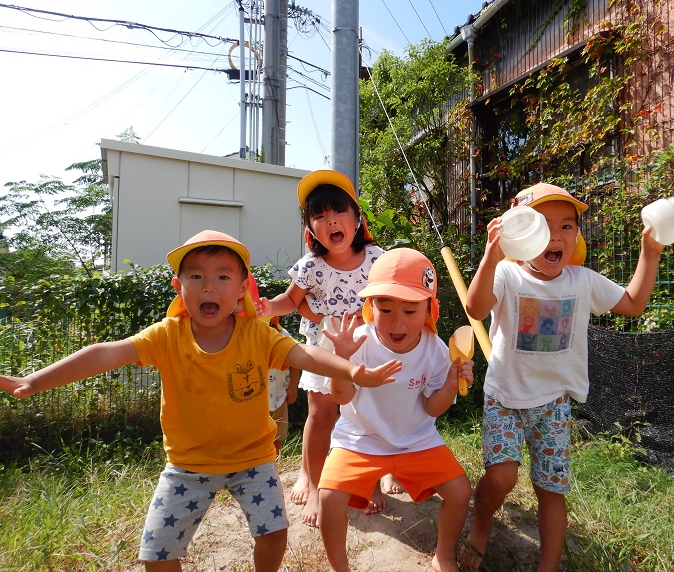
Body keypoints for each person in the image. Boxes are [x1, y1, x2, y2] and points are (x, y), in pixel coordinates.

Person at [0, 230, 401, 572]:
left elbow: (303, 355)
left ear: (243, 287)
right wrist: (34, 380)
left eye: (223, 276)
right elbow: (106, 352)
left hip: (253, 460)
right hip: (187, 465)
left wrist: (349, 369)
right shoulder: (166, 335)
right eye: (196, 276)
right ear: (179, 286)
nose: (209, 286)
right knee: (156, 556)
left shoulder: (257, 334)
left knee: (275, 536)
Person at [463, 183, 665, 572]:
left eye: (567, 226)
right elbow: (475, 305)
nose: (556, 236)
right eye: (542, 224)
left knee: (551, 488)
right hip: (505, 399)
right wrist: (491, 256)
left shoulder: (582, 280)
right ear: (519, 231)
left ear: (577, 234)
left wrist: (649, 253)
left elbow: (634, 304)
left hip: (554, 403)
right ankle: (481, 525)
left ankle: (549, 564)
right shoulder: (507, 273)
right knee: (502, 478)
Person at [317, 247, 474, 572]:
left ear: (429, 310)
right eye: (385, 308)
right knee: (329, 498)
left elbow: (432, 408)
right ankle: (338, 567)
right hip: (360, 439)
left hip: (416, 440)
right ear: (370, 307)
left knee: (459, 491)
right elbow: (342, 398)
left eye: (410, 310)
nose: (397, 322)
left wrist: (450, 383)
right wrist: (343, 361)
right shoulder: (358, 341)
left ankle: (443, 555)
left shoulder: (435, 349)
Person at [262, 169, 401, 527]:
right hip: (323, 348)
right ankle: (313, 478)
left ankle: (375, 478)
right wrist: (267, 307)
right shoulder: (311, 266)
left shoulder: (377, 258)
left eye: (338, 212)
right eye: (319, 216)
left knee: (371, 414)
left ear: (357, 220)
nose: (330, 221)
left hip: (369, 343)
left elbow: (394, 295)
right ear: (310, 229)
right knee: (321, 415)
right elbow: (290, 300)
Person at [266, 317, 300, 455]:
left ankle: (275, 464)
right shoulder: (248, 334)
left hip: (279, 393)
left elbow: (295, 363)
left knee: (278, 434)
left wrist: (293, 387)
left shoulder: (283, 334)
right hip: (255, 397)